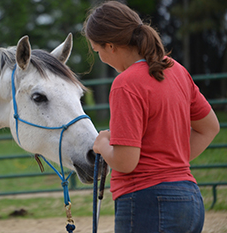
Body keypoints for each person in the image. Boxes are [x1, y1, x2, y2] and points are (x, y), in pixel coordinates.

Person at [83, 1, 220, 232]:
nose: (101, 58)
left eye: (98, 51)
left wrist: (103, 145)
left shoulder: (125, 84)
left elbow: (126, 163)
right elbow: (210, 127)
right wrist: (171, 164)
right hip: (190, 200)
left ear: (110, 46)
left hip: (146, 201)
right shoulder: (176, 70)